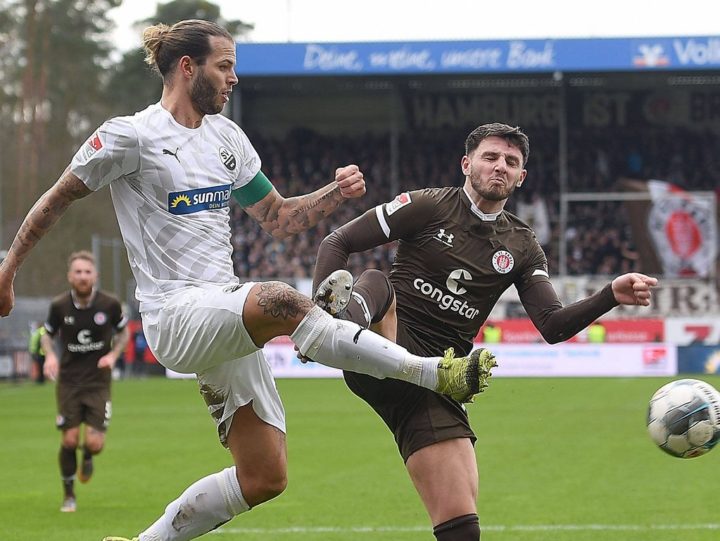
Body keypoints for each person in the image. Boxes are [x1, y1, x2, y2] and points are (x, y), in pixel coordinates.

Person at [0, 20, 495, 541]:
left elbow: (279, 216)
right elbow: (57, 198)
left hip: (223, 312)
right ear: (187, 68)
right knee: (282, 300)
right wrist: (9, 269)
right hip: (174, 314)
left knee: (265, 476)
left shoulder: (227, 138)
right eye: (225, 66)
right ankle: (432, 374)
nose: (234, 78)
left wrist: (333, 192)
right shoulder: (131, 136)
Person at [311, 122, 658, 541]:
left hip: (439, 378)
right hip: (386, 336)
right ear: (467, 163)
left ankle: (336, 331)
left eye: (511, 162)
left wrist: (610, 294)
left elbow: (551, 325)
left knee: (462, 528)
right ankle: (328, 330)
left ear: (521, 177)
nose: (501, 167)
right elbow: (336, 241)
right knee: (376, 279)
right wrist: (320, 308)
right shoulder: (426, 205)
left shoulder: (522, 246)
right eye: (491, 157)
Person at [41, 250, 129, 513]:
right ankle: (69, 495)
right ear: (70, 276)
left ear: (95, 276)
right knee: (68, 440)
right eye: (78, 272)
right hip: (68, 382)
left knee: (94, 443)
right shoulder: (58, 306)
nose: (82, 276)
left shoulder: (110, 304)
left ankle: (88, 455)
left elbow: (123, 332)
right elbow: (46, 335)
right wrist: (50, 357)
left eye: (87, 272)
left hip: (98, 383)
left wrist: (113, 355)